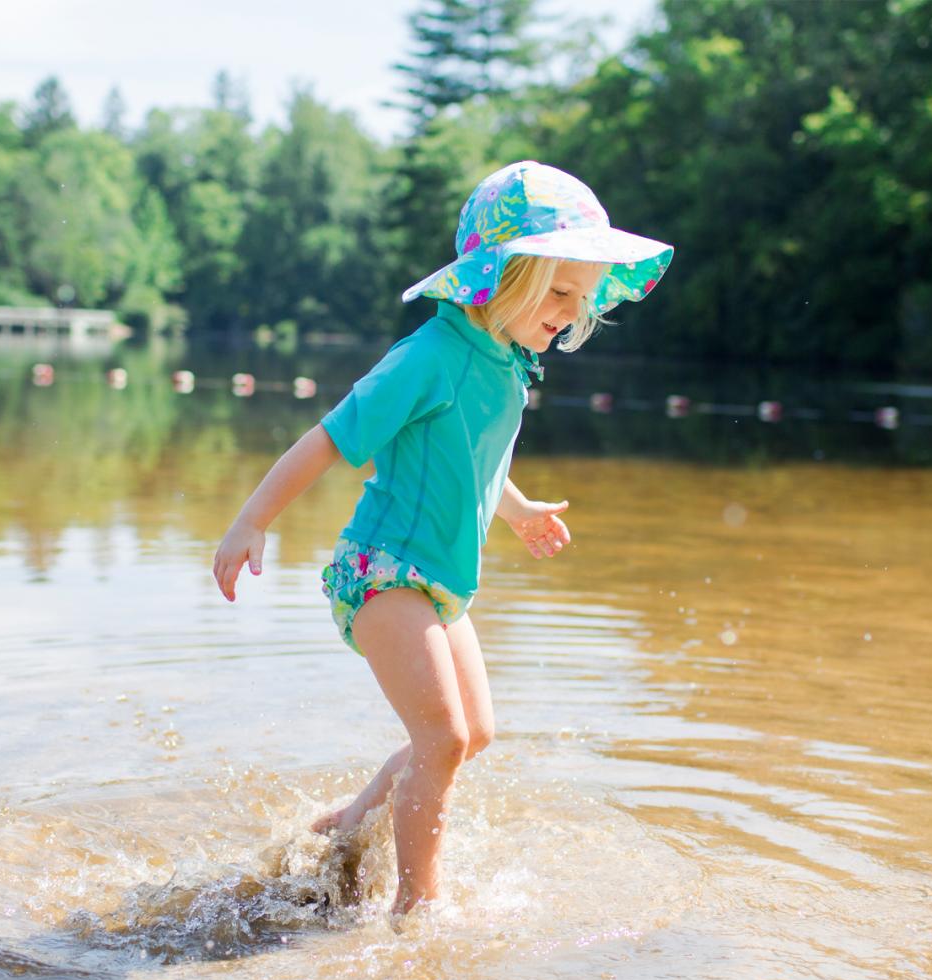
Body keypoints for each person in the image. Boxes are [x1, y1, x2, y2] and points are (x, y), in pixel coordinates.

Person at [213, 161, 673, 919]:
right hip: (384, 571)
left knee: (474, 734)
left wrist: (517, 509)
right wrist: (251, 520)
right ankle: (417, 906)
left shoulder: (504, 361)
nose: (570, 312)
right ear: (504, 275)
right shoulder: (428, 357)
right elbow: (330, 439)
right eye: (559, 291)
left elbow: (473, 457)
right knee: (443, 735)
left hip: (440, 580)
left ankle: (347, 825)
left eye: (583, 299)